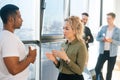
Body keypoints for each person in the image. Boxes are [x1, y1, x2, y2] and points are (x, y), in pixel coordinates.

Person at [0, 4, 37, 80]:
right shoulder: (9, 39)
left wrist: (29, 56)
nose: (22, 20)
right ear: (10, 19)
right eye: (19, 17)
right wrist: (30, 58)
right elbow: (14, 70)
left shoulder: (5, 36)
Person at [46, 16, 87, 80]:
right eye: (63, 28)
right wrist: (55, 60)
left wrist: (66, 58)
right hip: (61, 76)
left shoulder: (81, 46)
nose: (64, 31)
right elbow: (61, 66)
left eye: (67, 29)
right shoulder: (63, 44)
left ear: (75, 30)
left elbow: (79, 71)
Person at [95, 12, 120, 80]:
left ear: (113, 19)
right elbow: (97, 38)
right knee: (97, 68)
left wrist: (112, 41)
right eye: (107, 18)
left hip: (112, 54)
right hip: (103, 52)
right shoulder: (103, 28)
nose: (107, 20)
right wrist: (103, 39)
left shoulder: (118, 30)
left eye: (109, 18)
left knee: (109, 72)